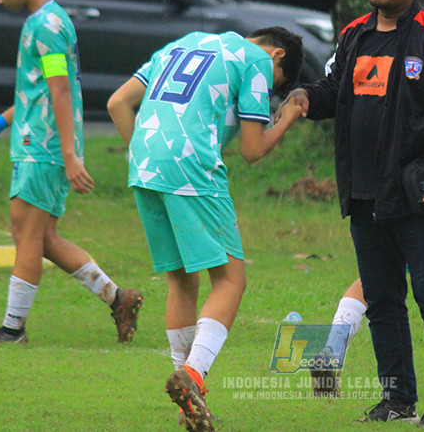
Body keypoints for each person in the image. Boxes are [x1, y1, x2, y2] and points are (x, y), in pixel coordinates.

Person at [285, 0, 424, 429]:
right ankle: (397, 398)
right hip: (364, 190)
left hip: (419, 192)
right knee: (383, 300)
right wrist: (307, 96)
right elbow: (333, 90)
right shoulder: (354, 35)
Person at [107, 26, 306, 432]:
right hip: (190, 166)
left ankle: (188, 400)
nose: (268, 90)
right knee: (231, 279)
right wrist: (286, 118)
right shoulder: (256, 61)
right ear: (278, 56)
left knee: (181, 283)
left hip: (144, 166)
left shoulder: (183, 42)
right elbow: (252, 150)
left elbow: (118, 102)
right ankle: (194, 376)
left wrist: (148, 155)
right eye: (275, 86)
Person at [0, 0, 142, 346]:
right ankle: (118, 298)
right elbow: (38, 90)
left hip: (42, 148)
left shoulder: (47, 26)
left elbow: (60, 92)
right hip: (36, 142)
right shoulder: (48, 21)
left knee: (27, 233)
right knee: (39, 237)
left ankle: (13, 330)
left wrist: (69, 155)